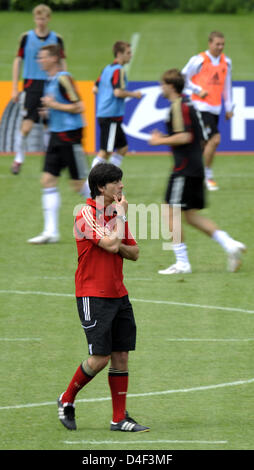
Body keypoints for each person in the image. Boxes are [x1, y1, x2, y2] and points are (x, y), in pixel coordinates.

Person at [57, 162, 149, 433]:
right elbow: (110, 244)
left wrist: (115, 234)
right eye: (116, 182)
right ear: (101, 187)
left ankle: (119, 418)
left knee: (121, 354)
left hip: (119, 293)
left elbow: (134, 253)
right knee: (100, 357)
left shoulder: (113, 214)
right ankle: (66, 399)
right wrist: (118, 224)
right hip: (92, 295)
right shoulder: (85, 214)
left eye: (121, 181)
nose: (122, 186)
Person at [149, 69, 245, 275]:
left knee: (169, 210)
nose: (161, 88)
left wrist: (160, 141)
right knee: (190, 216)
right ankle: (230, 244)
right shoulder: (190, 104)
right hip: (195, 167)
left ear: (171, 86)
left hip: (184, 169)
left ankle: (182, 263)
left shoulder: (178, 106)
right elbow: (199, 137)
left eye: (163, 84)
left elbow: (184, 137)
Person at [27, 44, 89, 245]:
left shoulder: (64, 78)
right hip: (55, 136)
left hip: (70, 136)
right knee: (47, 180)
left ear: (54, 58)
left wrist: (54, 105)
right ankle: (50, 232)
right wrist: (48, 113)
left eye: (43, 57)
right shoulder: (49, 81)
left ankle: (112, 212)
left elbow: (79, 106)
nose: (39, 61)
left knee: (78, 184)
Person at [11, 3, 66, 175]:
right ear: (34, 19)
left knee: (49, 125)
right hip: (32, 85)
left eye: (43, 18)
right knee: (26, 126)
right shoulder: (26, 38)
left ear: (48, 19)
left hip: (51, 83)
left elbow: (62, 63)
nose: (40, 21)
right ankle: (18, 159)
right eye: (38, 18)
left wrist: (65, 83)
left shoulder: (56, 39)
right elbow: (17, 61)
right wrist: (14, 87)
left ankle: (51, 162)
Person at [81, 41, 142, 196]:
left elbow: (95, 89)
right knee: (105, 151)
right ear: (119, 54)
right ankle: (90, 185)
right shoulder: (119, 70)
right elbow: (118, 93)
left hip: (106, 114)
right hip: (111, 115)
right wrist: (134, 94)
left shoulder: (107, 69)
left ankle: (112, 181)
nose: (130, 55)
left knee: (122, 148)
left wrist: (105, 97)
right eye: (128, 52)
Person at [182, 31, 234, 191]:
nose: (220, 47)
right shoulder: (198, 60)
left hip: (216, 108)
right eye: (217, 44)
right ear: (210, 43)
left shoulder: (227, 62)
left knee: (203, 144)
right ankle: (208, 177)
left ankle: (191, 175)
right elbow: (183, 77)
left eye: (222, 44)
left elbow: (227, 85)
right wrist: (197, 90)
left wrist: (229, 106)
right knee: (215, 139)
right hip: (200, 106)